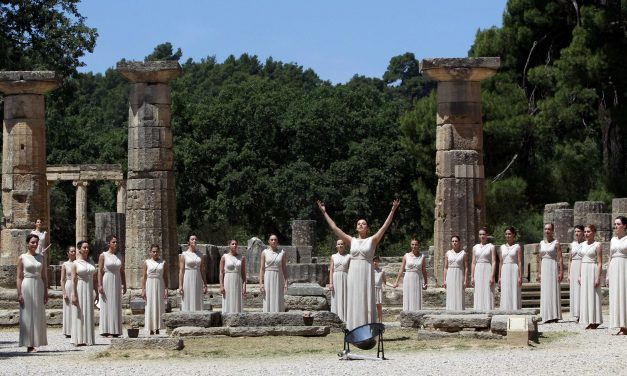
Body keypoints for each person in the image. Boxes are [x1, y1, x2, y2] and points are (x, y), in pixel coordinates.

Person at [318, 199, 400, 330]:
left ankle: (367, 328)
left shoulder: (372, 240)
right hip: (354, 273)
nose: (361, 225)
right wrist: (324, 212)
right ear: (356, 227)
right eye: (359, 224)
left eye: (364, 224)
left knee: (366, 298)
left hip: (367, 272)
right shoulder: (351, 240)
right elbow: (334, 228)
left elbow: (385, 226)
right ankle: (353, 328)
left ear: (367, 228)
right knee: (355, 298)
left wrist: (393, 210)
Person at [17, 234, 48, 352]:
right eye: (32, 242)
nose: (35, 245)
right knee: (28, 314)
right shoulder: (22, 258)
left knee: (38, 314)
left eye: (36, 243)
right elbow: (19, 277)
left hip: (39, 285)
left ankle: (36, 341)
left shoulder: (41, 258)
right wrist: (19, 293)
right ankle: (28, 344)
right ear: (27, 243)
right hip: (27, 286)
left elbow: (44, 277)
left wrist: (46, 292)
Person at [98, 234, 126, 337]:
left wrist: (125, 284)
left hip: (117, 280)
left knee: (116, 304)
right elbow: (100, 271)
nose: (115, 244)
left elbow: (122, 271)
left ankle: (116, 329)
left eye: (116, 242)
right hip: (107, 279)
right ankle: (107, 329)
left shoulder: (119, 255)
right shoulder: (103, 255)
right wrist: (99, 285)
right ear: (109, 243)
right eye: (113, 242)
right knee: (107, 304)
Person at [71, 240, 98, 346]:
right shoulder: (75, 263)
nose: (86, 249)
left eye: (87, 247)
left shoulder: (91, 262)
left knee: (88, 312)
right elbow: (73, 279)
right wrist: (73, 294)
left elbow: (95, 279)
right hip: (80, 288)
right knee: (79, 312)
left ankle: (88, 338)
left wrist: (96, 291)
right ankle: (78, 338)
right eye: (84, 248)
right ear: (80, 249)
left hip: (89, 288)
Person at [537, 223, 563, 323]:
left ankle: (554, 315)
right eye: (545, 229)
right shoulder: (541, 243)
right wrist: (539, 273)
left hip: (552, 266)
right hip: (544, 266)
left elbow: (560, 258)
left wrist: (561, 272)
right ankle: (545, 314)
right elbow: (539, 258)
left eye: (549, 229)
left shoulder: (556, 243)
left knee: (553, 289)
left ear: (552, 231)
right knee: (545, 290)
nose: (547, 231)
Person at [392, 238, 427, 311]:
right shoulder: (406, 256)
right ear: (410, 245)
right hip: (408, 278)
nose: (414, 246)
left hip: (417, 279)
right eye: (412, 244)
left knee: (416, 297)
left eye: (416, 244)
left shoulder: (422, 256)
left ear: (419, 245)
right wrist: (396, 281)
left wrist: (425, 282)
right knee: (408, 297)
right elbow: (401, 269)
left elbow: (424, 270)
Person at [578, 225, 603, 329]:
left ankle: (595, 320)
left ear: (594, 232)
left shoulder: (597, 245)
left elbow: (600, 262)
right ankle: (588, 320)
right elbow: (581, 260)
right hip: (584, 269)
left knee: (594, 294)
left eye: (588, 232)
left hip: (592, 269)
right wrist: (579, 275)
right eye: (585, 232)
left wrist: (597, 277)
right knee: (585, 295)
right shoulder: (582, 244)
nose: (586, 234)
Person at [142, 245, 169, 335]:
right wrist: (143, 290)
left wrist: (166, 289)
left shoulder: (163, 262)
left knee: (159, 305)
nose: (155, 253)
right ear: (150, 252)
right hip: (149, 284)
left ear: (159, 252)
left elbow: (165, 276)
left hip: (159, 284)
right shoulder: (147, 262)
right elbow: (144, 277)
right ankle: (150, 327)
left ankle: (157, 327)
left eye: (157, 251)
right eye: (153, 251)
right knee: (150, 305)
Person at [607, 216, 627, 335]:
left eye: (618, 224)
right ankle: (621, 324)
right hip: (614, 268)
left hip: (625, 266)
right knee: (616, 295)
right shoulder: (613, 240)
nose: (616, 226)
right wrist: (608, 274)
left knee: (625, 295)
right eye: (615, 224)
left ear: (624, 225)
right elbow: (610, 257)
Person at [259, 234, 288, 312]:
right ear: (268, 241)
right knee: (267, 295)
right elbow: (262, 268)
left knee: (278, 296)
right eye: (271, 240)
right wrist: (261, 283)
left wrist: (286, 282)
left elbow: (284, 268)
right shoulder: (264, 252)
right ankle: (267, 314)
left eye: (275, 239)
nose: (273, 241)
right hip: (268, 276)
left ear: (277, 241)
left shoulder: (282, 252)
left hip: (278, 276)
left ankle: (279, 314)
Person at [178, 234, 207, 312]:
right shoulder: (184, 255)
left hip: (198, 278)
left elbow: (202, 270)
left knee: (197, 298)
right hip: (187, 277)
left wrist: (205, 284)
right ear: (188, 242)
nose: (194, 241)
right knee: (187, 297)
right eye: (192, 239)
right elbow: (181, 270)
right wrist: (180, 285)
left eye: (195, 239)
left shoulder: (200, 254)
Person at [471, 227, 496, 311]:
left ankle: (489, 309)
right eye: (480, 234)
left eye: (483, 234)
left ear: (487, 235)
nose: (482, 236)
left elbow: (494, 261)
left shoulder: (491, 247)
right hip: (478, 269)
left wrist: (492, 276)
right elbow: (473, 262)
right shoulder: (475, 247)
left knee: (488, 289)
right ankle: (478, 309)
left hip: (487, 268)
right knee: (478, 289)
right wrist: (472, 276)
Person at [220, 240, 246, 313]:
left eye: (236, 244)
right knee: (228, 298)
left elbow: (243, 273)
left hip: (238, 280)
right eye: (232, 244)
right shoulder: (224, 257)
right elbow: (221, 273)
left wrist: (244, 286)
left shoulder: (242, 257)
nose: (234, 245)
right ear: (229, 245)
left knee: (237, 299)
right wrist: (221, 285)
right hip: (228, 280)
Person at [499, 227, 522, 310]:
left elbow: (519, 262)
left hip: (514, 269)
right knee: (505, 290)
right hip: (504, 268)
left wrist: (520, 276)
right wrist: (499, 276)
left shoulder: (517, 247)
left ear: (513, 235)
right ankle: (505, 310)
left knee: (514, 289)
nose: (507, 235)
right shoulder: (502, 247)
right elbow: (500, 262)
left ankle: (515, 309)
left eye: (509, 234)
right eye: (506, 234)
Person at [443, 236, 468, 311]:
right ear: (451, 243)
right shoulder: (448, 253)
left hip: (459, 274)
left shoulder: (463, 253)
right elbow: (445, 267)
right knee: (451, 293)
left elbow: (466, 267)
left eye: (456, 241)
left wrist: (465, 280)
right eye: (453, 241)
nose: (454, 243)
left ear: (459, 242)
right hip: (450, 275)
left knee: (459, 293)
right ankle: (450, 310)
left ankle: (460, 310)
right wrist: (444, 280)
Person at [329, 239, 350, 321]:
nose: (340, 245)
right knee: (336, 297)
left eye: (342, 244)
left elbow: (351, 269)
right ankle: (335, 318)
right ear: (336, 246)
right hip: (335, 278)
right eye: (339, 244)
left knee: (345, 296)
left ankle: (345, 318)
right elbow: (331, 270)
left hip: (345, 277)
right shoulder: (333, 256)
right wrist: (330, 283)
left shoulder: (348, 256)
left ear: (344, 246)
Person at [569, 225, 585, 322]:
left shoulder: (585, 244)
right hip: (574, 267)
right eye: (575, 231)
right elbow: (570, 259)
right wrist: (570, 273)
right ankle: (577, 313)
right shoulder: (572, 244)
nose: (576, 233)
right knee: (575, 291)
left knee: (581, 290)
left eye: (579, 231)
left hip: (582, 266)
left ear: (583, 232)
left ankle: (583, 313)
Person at [60, 246, 76, 338]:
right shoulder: (65, 264)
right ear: (68, 253)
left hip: (76, 285)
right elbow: (62, 280)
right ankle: (68, 330)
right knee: (68, 308)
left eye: (74, 251)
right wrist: (64, 292)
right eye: (71, 251)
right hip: (69, 285)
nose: (73, 253)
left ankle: (76, 329)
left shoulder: (78, 263)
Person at [373, 256, 386, 322]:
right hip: (371, 290)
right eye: (374, 261)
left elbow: (385, 281)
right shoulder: (369, 270)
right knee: (371, 306)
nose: (375, 262)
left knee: (379, 306)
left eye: (377, 261)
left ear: (379, 262)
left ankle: (380, 321)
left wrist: (393, 285)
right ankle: (372, 321)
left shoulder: (382, 271)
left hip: (378, 289)